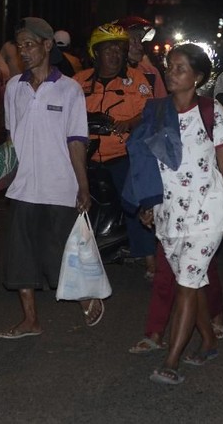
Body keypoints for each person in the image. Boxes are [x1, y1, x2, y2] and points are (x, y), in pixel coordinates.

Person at [126, 43, 223, 385]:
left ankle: (172, 360)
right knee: (191, 285)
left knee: (186, 284)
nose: (171, 73)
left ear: (198, 76)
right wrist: (147, 203)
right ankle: (208, 341)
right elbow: (149, 164)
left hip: (207, 213)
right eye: (170, 67)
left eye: (180, 68)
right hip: (169, 214)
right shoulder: (158, 111)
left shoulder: (212, 111)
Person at [0, 17, 92, 339]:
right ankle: (30, 320)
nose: (23, 51)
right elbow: (12, 139)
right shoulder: (13, 87)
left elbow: (76, 140)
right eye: (19, 45)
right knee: (20, 254)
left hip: (59, 185)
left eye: (29, 44)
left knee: (62, 252)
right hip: (22, 185)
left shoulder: (70, 89)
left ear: (47, 45)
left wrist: (83, 185)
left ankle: (85, 297)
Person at [72, 23, 157, 285]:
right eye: (108, 49)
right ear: (95, 53)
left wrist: (130, 122)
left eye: (119, 49)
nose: (115, 55)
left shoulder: (137, 80)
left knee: (134, 199)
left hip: (119, 153)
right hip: (82, 155)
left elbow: (149, 112)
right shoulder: (79, 81)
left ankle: (150, 259)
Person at [114, 16, 167, 97]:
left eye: (140, 41)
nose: (140, 47)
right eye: (134, 41)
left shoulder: (150, 72)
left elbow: (161, 104)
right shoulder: (107, 73)